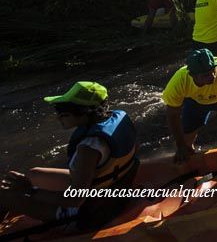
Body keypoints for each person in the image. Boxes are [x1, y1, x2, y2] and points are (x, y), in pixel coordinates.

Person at [0, 82, 138, 230]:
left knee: (2, 194)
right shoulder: (119, 119)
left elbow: (75, 199)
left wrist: (30, 191)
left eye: (64, 113)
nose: (58, 117)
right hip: (115, 198)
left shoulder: (89, 148)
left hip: (86, 216)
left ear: (85, 112)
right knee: (34, 174)